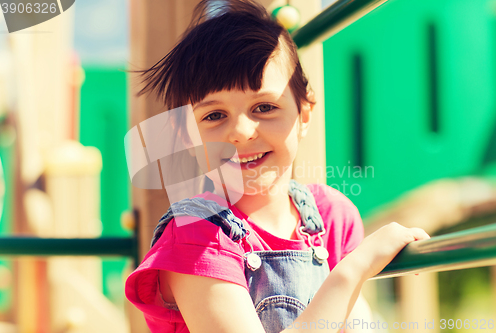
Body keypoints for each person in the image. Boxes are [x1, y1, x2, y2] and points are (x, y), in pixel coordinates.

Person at [124, 1, 430, 332]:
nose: (240, 132)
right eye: (214, 115)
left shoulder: (331, 216)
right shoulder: (196, 236)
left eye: (264, 107)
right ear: (187, 138)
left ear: (304, 116)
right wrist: (353, 270)